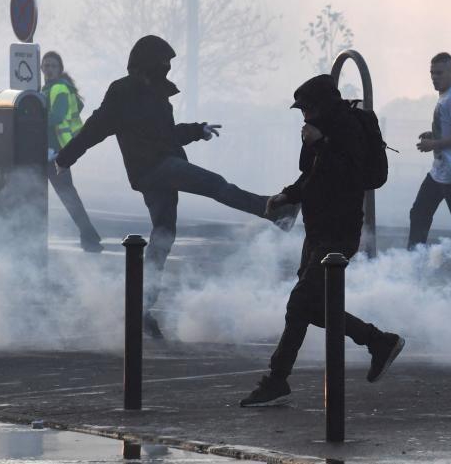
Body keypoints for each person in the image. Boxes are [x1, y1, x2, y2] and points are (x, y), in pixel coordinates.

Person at [54, 35, 297, 339]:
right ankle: (272, 209)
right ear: (148, 61)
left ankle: (141, 307)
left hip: (159, 169)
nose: (168, 67)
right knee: (215, 184)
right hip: (154, 168)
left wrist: (197, 130)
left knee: (164, 235)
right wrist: (65, 158)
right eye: (164, 61)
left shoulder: (156, 92)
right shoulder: (123, 91)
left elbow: (167, 134)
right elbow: (95, 128)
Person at [239, 75, 404, 406]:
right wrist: (287, 195)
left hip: (338, 233)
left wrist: (321, 143)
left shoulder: (347, 128)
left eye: (308, 109)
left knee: (300, 303)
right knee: (308, 308)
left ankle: (278, 378)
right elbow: (310, 174)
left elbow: (349, 175)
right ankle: (377, 341)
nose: (304, 116)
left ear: (323, 105)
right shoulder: (321, 129)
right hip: (316, 231)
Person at [407, 52, 451, 249]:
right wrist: (434, 134)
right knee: (419, 213)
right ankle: (413, 257)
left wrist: (433, 144)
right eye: (432, 73)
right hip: (439, 172)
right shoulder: (445, 97)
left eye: (439, 73)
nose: (435, 77)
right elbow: (450, 130)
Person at [41, 51, 103, 253]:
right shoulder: (51, 88)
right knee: (68, 195)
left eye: (53, 66)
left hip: (55, 152)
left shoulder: (58, 88)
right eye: (46, 66)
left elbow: (57, 117)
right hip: (57, 150)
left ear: (60, 69)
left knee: (66, 196)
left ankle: (89, 236)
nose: (49, 69)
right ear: (41, 68)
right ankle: (89, 236)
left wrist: (32, 120)